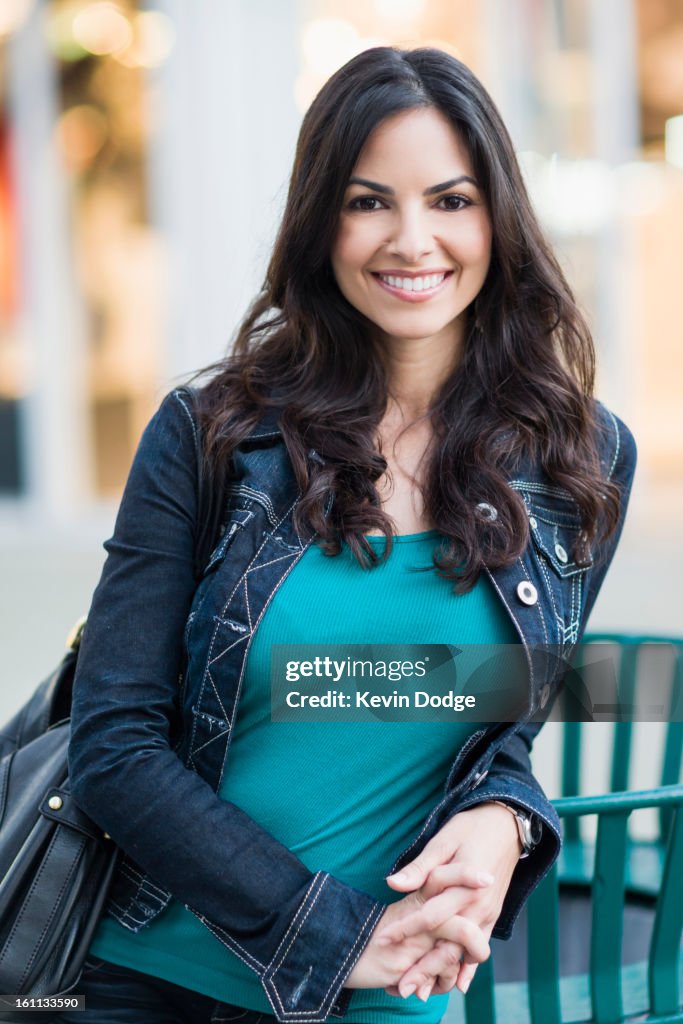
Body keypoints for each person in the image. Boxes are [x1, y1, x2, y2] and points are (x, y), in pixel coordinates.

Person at [63, 46, 636, 1024]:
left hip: (390, 997)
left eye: (450, 200)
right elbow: (113, 747)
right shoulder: (211, 435)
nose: (412, 239)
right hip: (160, 983)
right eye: (369, 200)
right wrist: (331, 932)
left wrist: (506, 818)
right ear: (319, 220)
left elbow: (503, 719)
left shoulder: (578, 460)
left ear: (498, 215)